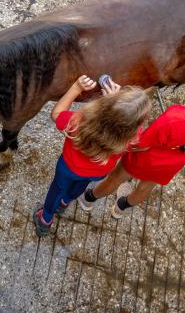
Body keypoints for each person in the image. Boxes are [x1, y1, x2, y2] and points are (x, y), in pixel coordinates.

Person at [80, 11, 185, 218]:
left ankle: (89, 199)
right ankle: (121, 208)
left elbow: (141, 142)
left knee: (116, 177)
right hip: (171, 164)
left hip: (145, 158)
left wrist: (120, 105)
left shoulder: (175, 119)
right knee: (146, 187)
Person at [33, 75, 151, 236]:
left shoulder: (78, 122)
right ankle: (65, 202)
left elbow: (56, 114)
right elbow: (124, 126)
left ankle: (45, 219)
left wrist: (76, 88)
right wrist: (116, 106)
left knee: (57, 188)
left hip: (68, 168)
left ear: (104, 106)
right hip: (97, 173)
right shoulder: (133, 137)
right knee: (80, 185)